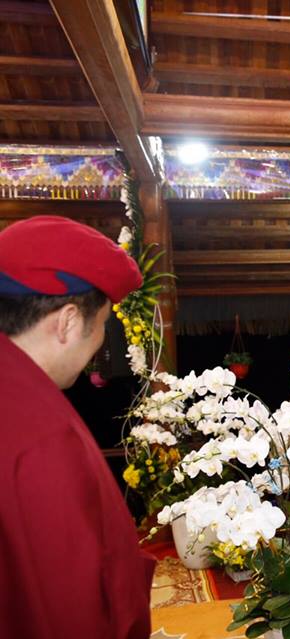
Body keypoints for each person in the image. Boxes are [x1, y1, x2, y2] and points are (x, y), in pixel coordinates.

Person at [0, 216, 154, 638]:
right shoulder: (40, 436)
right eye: (102, 324)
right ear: (68, 321)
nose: (100, 341)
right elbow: (67, 604)